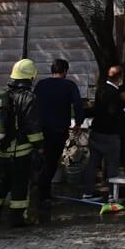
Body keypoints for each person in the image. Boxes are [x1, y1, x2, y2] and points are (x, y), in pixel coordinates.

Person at [0, 58, 44, 228]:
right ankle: (16, 221)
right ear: (30, 77)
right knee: (19, 186)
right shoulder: (29, 98)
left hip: (1, 151)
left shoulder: (2, 96)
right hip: (20, 153)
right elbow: (33, 127)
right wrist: (40, 147)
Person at [33, 58, 84, 203]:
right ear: (65, 71)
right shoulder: (69, 85)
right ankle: (44, 194)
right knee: (52, 161)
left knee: (40, 160)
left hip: (40, 129)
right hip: (58, 130)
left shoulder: (41, 84)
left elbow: (33, 104)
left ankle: (38, 190)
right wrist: (79, 122)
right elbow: (78, 105)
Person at [83, 65, 125, 199]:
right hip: (110, 133)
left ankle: (88, 192)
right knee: (112, 164)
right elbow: (113, 113)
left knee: (92, 163)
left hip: (96, 131)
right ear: (119, 78)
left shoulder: (100, 89)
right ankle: (113, 193)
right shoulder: (114, 93)